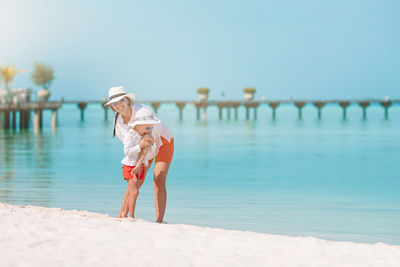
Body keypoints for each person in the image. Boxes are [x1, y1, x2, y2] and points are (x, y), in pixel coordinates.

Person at [104, 86, 174, 223]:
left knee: (158, 180)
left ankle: (159, 221)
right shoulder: (117, 121)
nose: (119, 105)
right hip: (142, 147)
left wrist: (139, 163)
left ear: (128, 100)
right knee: (135, 181)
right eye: (115, 103)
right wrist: (135, 164)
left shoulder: (143, 113)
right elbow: (129, 145)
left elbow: (149, 141)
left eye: (121, 100)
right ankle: (122, 215)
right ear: (111, 106)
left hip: (162, 142)